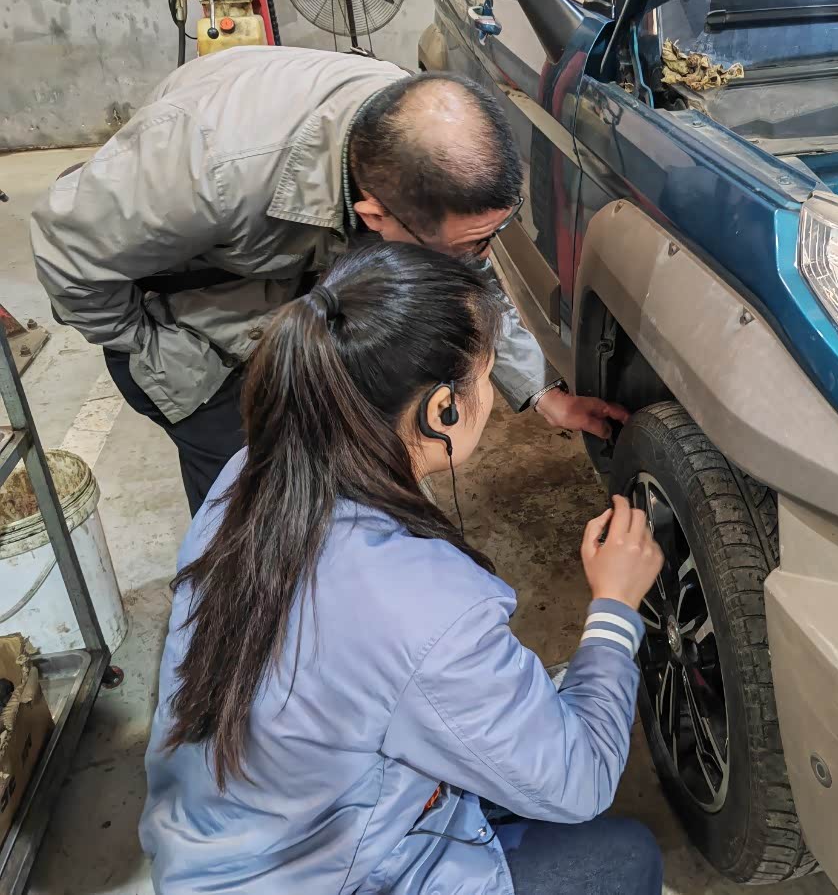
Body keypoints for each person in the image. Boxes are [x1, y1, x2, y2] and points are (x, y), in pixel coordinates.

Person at [139, 242, 665, 895]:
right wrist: (614, 608)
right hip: (321, 877)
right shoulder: (424, 606)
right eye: (487, 377)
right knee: (623, 858)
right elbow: (579, 780)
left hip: (221, 849)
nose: (491, 396)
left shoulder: (248, 474)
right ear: (442, 409)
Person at [29, 47, 626, 516]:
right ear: (374, 216)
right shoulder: (209, 170)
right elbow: (66, 255)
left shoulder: (413, 135)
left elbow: (467, 264)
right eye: (469, 242)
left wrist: (542, 393)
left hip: (272, 278)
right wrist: (156, 347)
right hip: (186, 324)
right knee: (250, 509)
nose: (480, 256)